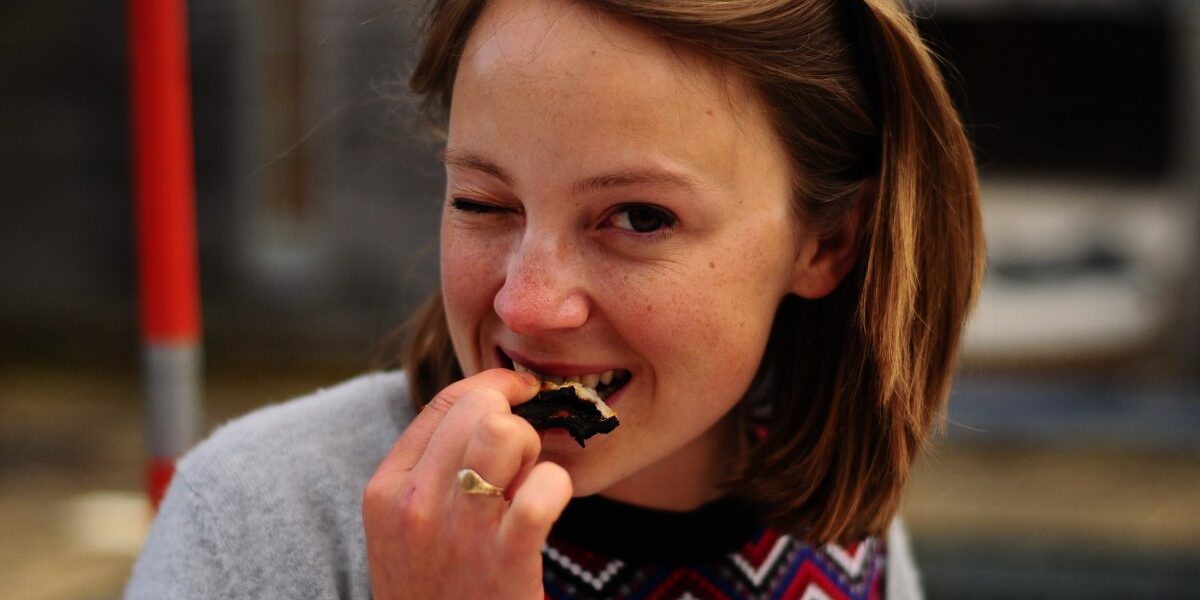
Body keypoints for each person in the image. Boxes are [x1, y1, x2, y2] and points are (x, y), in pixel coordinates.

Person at [125, 0, 983, 598]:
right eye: (482, 203)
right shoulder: (259, 519)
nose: (527, 305)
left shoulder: (845, 534)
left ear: (827, 244)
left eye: (639, 218)